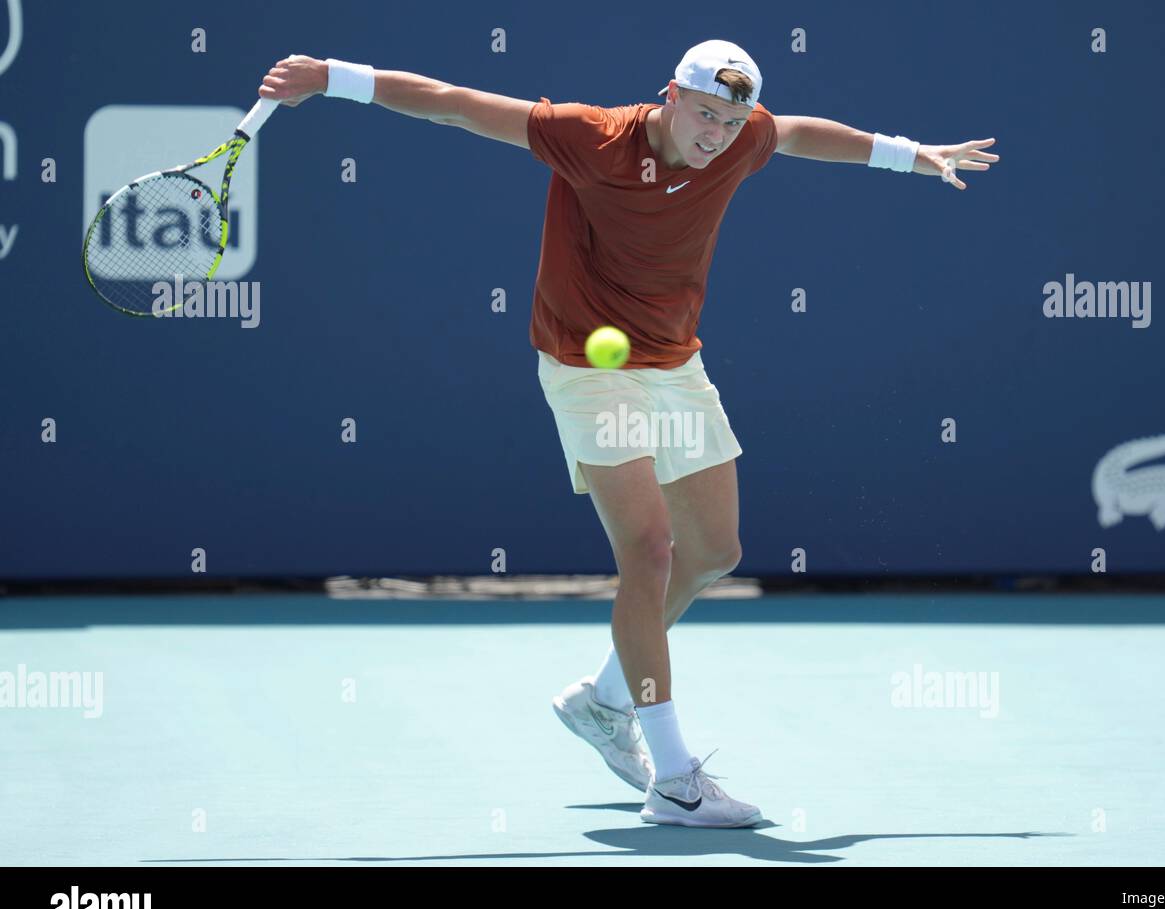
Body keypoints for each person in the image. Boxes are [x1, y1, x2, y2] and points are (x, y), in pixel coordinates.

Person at [258, 39, 999, 828]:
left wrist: (908, 155)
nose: (717, 132)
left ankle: (602, 702)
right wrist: (331, 79)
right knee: (648, 553)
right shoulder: (590, 136)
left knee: (715, 552)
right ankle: (675, 779)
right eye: (705, 114)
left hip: (675, 362)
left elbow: (802, 133)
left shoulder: (745, 138)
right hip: (587, 365)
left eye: (732, 118)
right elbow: (455, 102)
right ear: (670, 96)